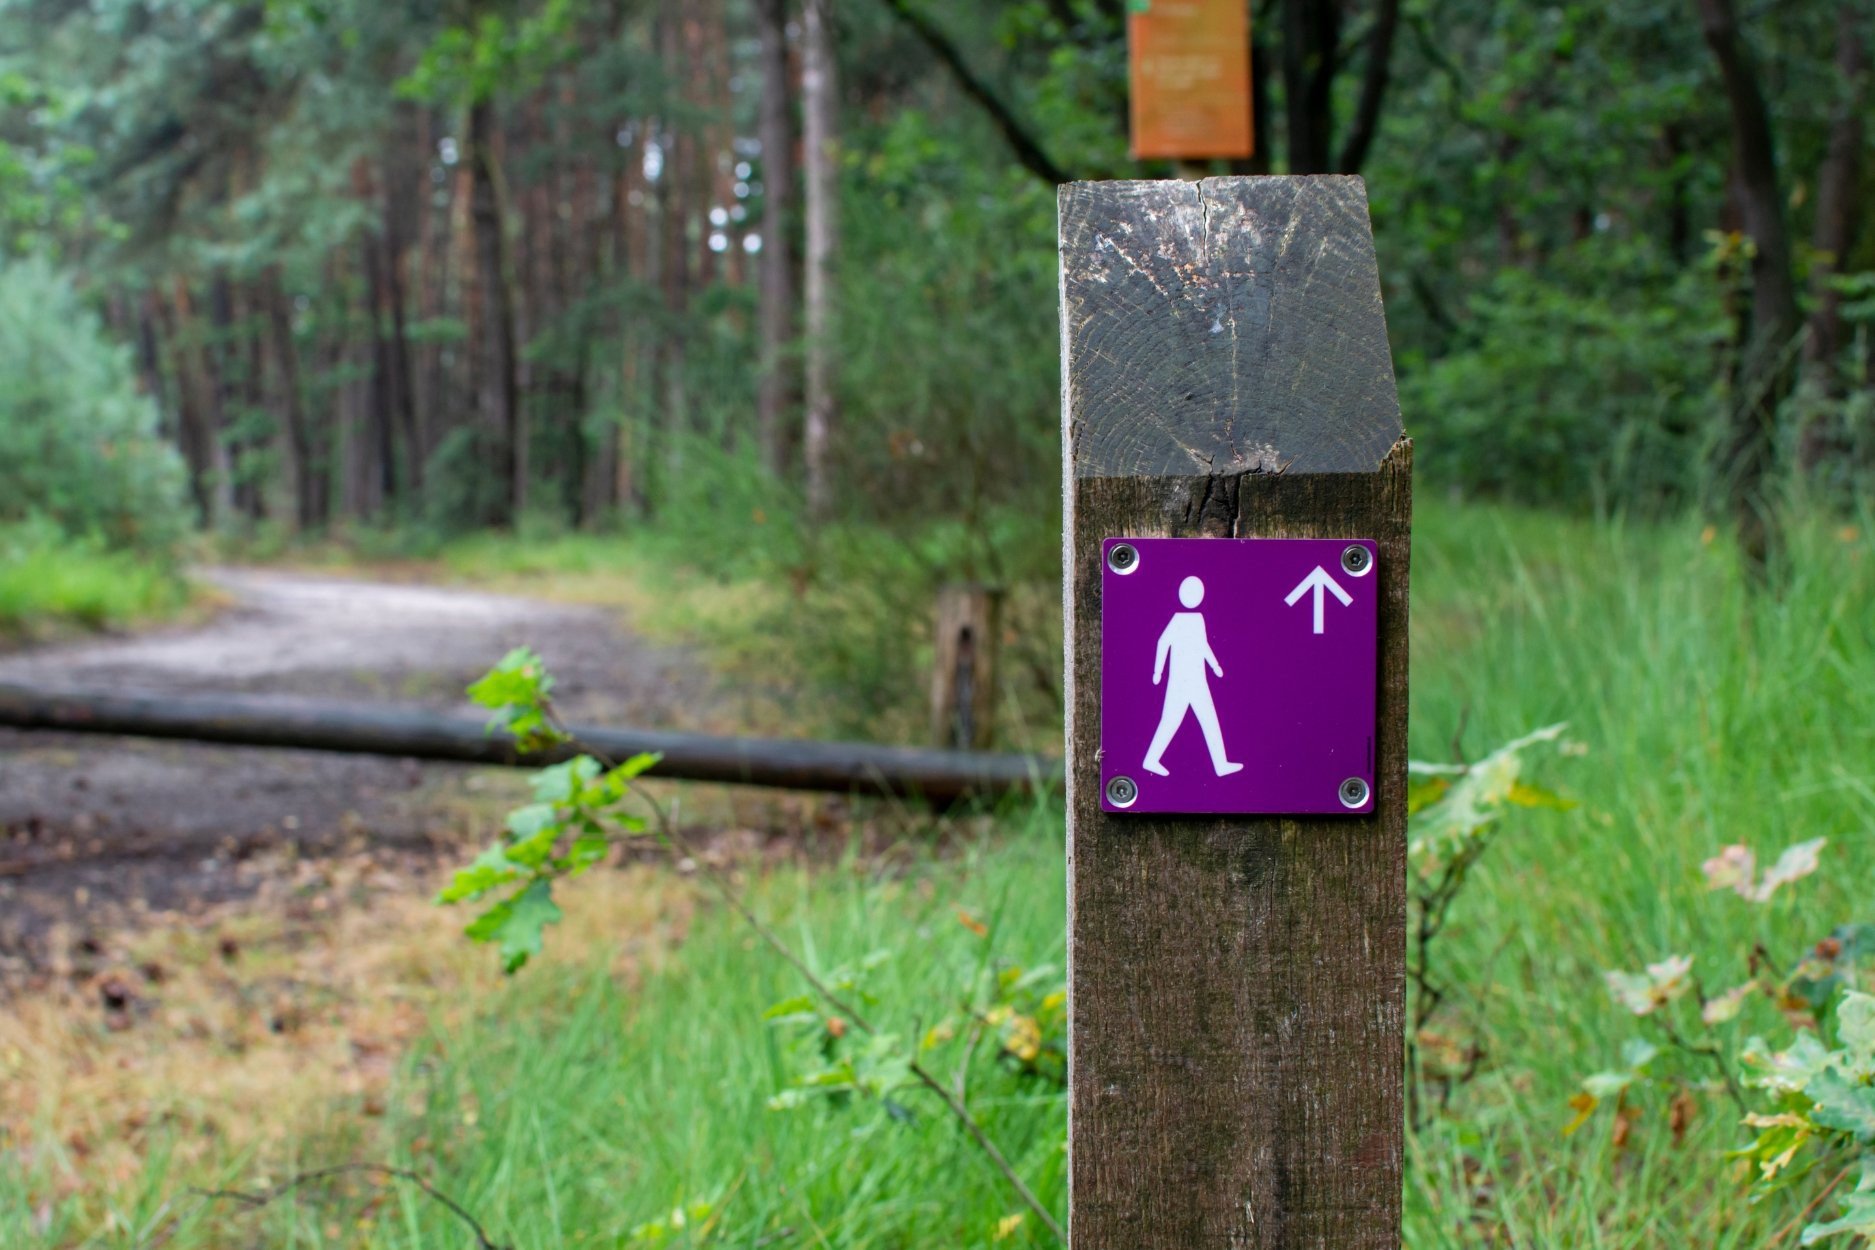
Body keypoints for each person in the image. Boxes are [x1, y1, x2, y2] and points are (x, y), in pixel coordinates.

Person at [1142, 575, 1242, 778]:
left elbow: (1203, 646)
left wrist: (1215, 666)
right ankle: (1151, 759)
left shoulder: (1198, 619)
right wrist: (1157, 672)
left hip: (1198, 680)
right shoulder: (1178, 619)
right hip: (1179, 682)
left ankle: (1221, 764)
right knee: (1170, 721)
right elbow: (1163, 643)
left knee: (1209, 720)